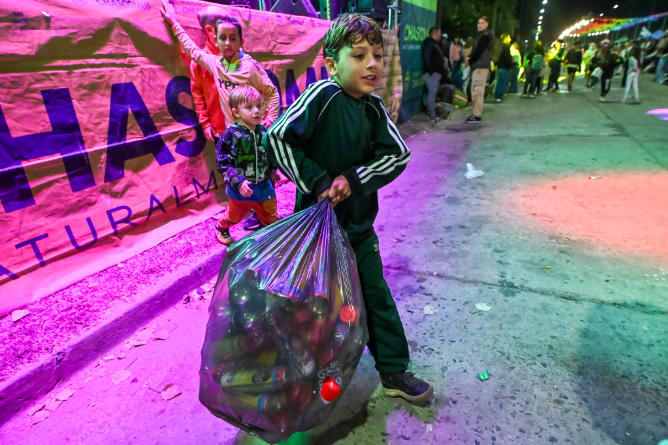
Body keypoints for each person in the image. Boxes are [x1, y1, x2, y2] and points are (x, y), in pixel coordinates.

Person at [263, 13, 434, 405]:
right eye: (359, 56)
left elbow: (398, 155)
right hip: (316, 237)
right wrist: (319, 181)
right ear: (331, 63)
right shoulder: (321, 97)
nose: (372, 64)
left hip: (358, 231)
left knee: (376, 298)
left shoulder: (374, 109)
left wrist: (353, 180)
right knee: (312, 309)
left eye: (378, 56)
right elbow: (278, 139)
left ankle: (393, 371)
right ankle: (301, 379)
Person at [160, 0, 280, 232]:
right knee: (240, 175)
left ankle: (265, 217)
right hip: (234, 134)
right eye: (222, 38)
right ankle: (246, 214)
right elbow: (191, 50)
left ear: (241, 41)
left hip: (255, 133)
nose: (227, 43)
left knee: (262, 172)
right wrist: (174, 22)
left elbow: (272, 92)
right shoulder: (215, 64)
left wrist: (270, 120)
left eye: (232, 38)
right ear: (215, 38)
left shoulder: (249, 66)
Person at [212, 87, 281, 245]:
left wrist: (272, 170)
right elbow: (222, 163)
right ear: (236, 112)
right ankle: (221, 227)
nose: (256, 111)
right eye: (249, 107)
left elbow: (270, 153)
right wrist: (238, 181)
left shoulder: (263, 131)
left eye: (259, 106)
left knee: (272, 216)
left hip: (264, 187)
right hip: (241, 190)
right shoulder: (230, 135)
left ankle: (277, 239)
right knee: (235, 216)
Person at [466, 16, 494, 124]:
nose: (479, 25)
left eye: (482, 23)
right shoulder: (486, 36)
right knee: (477, 91)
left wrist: (470, 61)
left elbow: (478, 51)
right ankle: (476, 114)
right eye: (478, 23)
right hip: (482, 66)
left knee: (477, 92)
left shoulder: (484, 36)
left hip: (481, 67)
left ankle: (477, 115)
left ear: (487, 24)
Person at [422, 26, 447, 123]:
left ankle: (430, 113)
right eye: (439, 33)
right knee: (432, 93)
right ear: (435, 33)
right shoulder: (430, 44)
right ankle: (431, 115)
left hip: (433, 73)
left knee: (431, 93)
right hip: (432, 74)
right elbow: (426, 56)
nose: (440, 35)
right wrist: (430, 70)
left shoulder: (432, 44)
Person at [494, 34, 513, 102]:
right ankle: (499, 95)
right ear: (505, 38)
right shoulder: (506, 48)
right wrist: (511, 64)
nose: (510, 39)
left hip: (499, 66)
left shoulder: (499, 47)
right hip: (504, 67)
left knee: (499, 82)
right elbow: (508, 58)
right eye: (509, 38)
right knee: (504, 81)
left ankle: (497, 95)